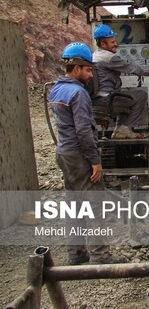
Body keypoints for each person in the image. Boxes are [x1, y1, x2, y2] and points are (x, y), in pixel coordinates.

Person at [48, 42, 127, 265]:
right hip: (79, 155)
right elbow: (83, 131)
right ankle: (100, 256)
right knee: (94, 205)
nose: (91, 75)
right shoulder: (78, 93)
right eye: (88, 70)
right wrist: (95, 161)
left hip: (64, 154)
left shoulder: (56, 89)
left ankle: (77, 254)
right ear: (76, 69)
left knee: (74, 205)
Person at [92, 23, 149, 138]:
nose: (116, 44)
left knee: (126, 97)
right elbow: (133, 68)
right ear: (102, 43)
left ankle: (119, 130)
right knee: (140, 95)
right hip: (106, 99)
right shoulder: (108, 57)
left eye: (115, 41)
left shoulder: (95, 55)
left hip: (100, 99)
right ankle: (124, 128)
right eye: (112, 42)